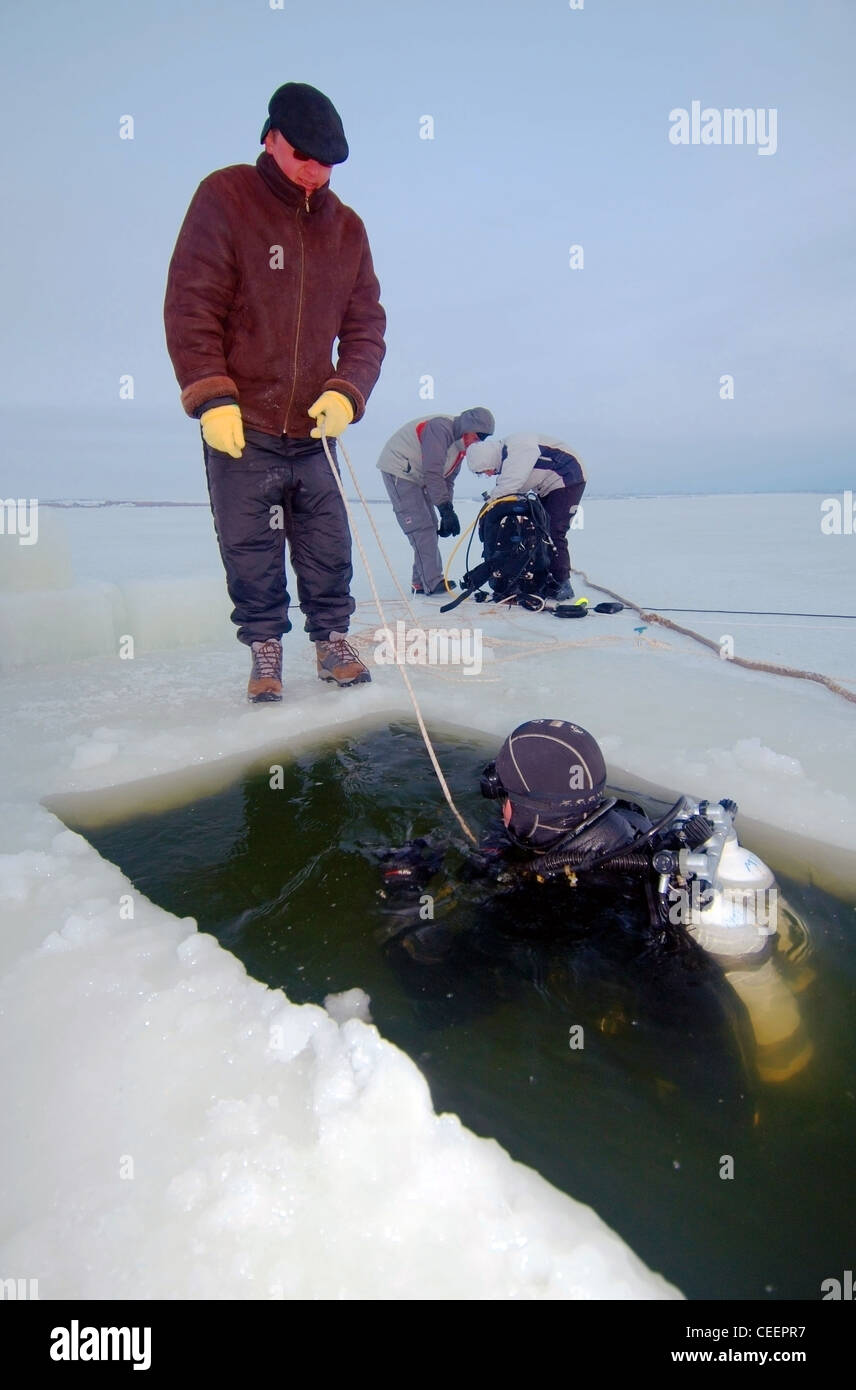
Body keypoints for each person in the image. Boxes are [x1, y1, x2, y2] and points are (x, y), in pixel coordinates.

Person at [380, 718, 813, 1084]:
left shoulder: (540, 904)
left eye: (507, 797)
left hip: (686, 1071)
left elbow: (442, 994)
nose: (501, 808)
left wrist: (403, 891)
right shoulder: (632, 824)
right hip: (702, 1020)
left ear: (532, 812)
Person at [164, 82, 386, 702]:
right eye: (305, 158)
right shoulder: (226, 196)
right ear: (271, 138)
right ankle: (265, 650)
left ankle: (332, 639)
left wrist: (347, 390)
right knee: (250, 543)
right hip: (244, 424)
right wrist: (210, 394)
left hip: (314, 430)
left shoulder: (348, 230)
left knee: (326, 540)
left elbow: (367, 325)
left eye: (329, 164)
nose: (317, 173)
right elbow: (191, 304)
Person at [377, 408, 495, 596]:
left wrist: (448, 511)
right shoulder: (440, 429)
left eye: (484, 438)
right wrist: (444, 510)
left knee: (430, 526)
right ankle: (432, 581)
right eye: (478, 435)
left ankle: (420, 582)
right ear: (468, 427)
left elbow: (447, 480)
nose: (479, 441)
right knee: (421, 527)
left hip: (418, 477)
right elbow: (432, 472)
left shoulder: (460, 450)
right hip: (400, 470)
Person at [466, 434, 586, 601]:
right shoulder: (509, 458)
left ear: (487, 460)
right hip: (546, 487)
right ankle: (541, 576)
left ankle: (562, 582)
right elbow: (512, 487)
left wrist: (492, 502)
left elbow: (511, 483)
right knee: (535, 531)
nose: (487, 474)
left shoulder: (518, 448)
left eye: (484, 470)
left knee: (552, 531)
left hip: (568, 479)